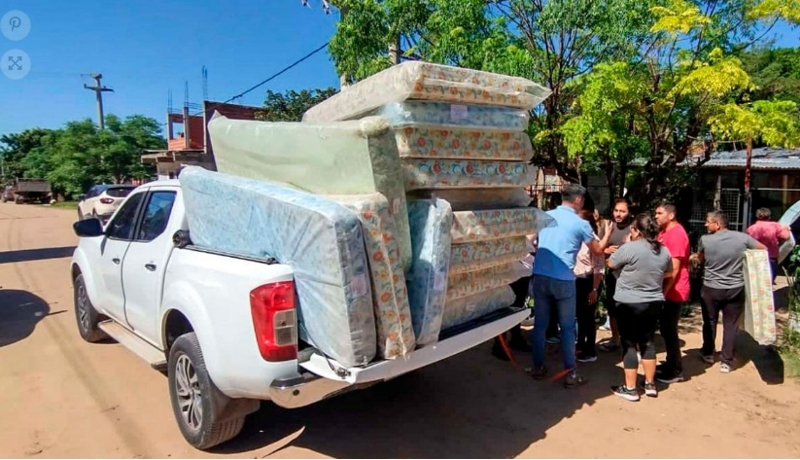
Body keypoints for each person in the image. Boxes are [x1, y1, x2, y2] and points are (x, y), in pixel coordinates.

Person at [529, 184, 613, 388]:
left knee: (540, 325)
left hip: (540, 276)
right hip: (564, 280)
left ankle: (538, 367)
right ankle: (570, 373)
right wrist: (607, 233)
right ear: (577, 200)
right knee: (567, 328)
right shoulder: (580, 224)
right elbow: (598, 250)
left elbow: (530, 241)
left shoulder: (544, 216)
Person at [607, 214, 674, 401]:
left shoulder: (630, 248)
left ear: (636, 231)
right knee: (648, 342)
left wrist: (628, 244)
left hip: (628, 301)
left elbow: (611, 263)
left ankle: (630, 388)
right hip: (653, 301)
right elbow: (669, 273)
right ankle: (650, 384)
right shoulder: (664, 250)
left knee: (629, 343)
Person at [698, 210, 766, 373]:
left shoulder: (705, 240)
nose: (706, 224)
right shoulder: (742, 238)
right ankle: (726, 361)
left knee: (710, 321)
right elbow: (762, 248)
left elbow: (701, 259)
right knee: (730, 324)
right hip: (735, 288)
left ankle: (708, 353)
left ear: (718, 224)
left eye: (708, 221)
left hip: (711, 288)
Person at [654, 202, 691, 384]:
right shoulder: (664, 231)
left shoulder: (677, 235)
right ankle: (670, 362)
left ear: (670, 215)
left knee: (669, 329)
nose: (656, 216)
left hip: (674, 290)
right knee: (665, 328)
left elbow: (674, 269)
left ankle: (675, 370)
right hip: (665, 288)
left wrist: (663, 292)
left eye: (659, 213)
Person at [598, 198, 632, 352]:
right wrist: (605, 251)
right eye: (616, 210)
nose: (619, 214)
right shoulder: (606, 227)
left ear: (629, 212)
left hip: (630, 277)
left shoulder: (634, 229)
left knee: (628, 310)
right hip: (612, 275)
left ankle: (631, 343)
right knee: (612, 309)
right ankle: (615, 339)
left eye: (622, 211)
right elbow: (597, 249)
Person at [574, 208, 605, 363]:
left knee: (588, 317)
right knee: (580, 315)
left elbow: (599, 267)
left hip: (589, 281)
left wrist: (594, 289)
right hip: (576, 280)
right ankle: (580, 344)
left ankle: (590, 349)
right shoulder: (574, 238)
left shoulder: (593, 241)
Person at [746, 208, 791, 284]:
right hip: (771, 258)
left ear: (757, 217)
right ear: (769, 217)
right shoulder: (775, 226)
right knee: (769, 282)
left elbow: (747, 243)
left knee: (757, 282)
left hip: (756, 258)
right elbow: (786, 236)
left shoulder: (751, 229)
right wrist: (787, 229)